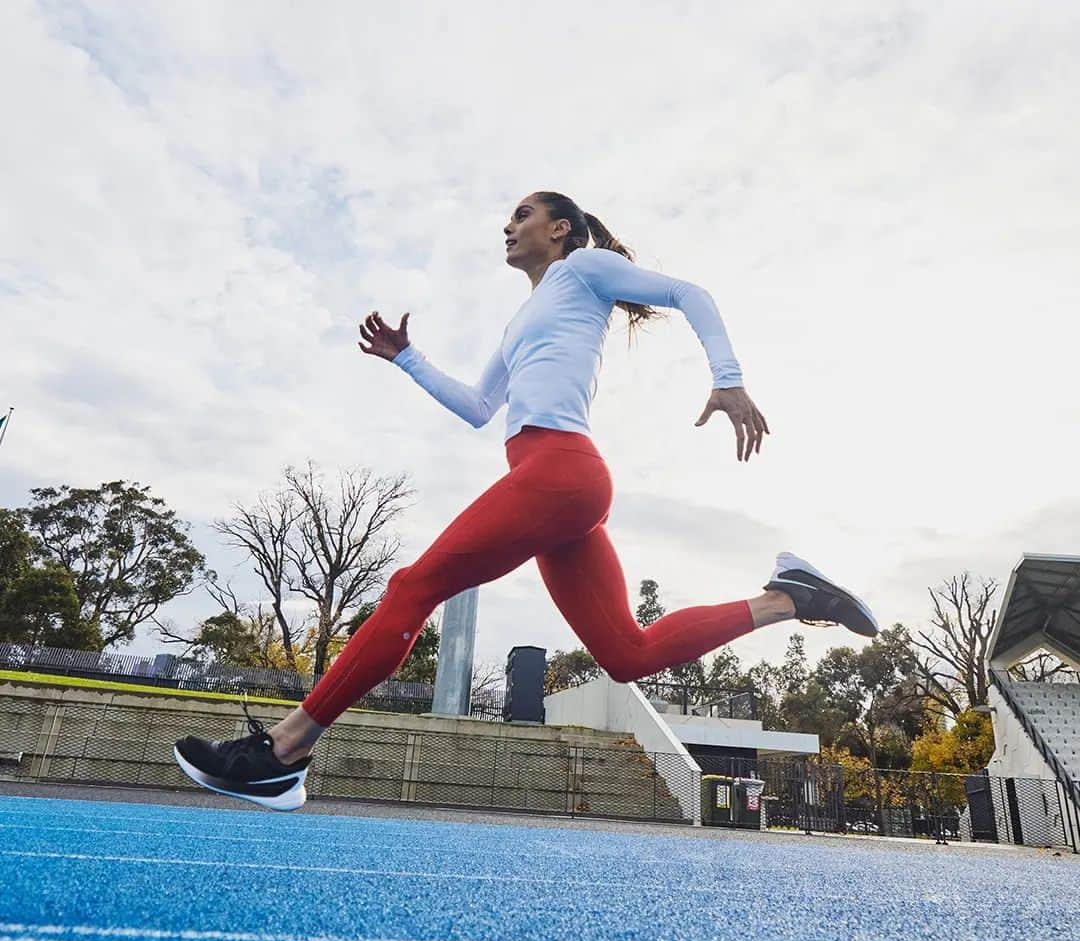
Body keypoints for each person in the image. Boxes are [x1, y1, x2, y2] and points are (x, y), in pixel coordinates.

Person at [173, 191, 878, 811]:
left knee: (411, 588)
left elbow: (691, 294)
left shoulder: (584, 269)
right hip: (560, 487)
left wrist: (728, 377)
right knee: (627, 653)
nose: (507, 226)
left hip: (560, 471)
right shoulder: (523, 319)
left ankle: (284, 753)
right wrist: (407, 359)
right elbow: (481, 406)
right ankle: (792, 599)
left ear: (562, 229)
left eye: (523, 214)